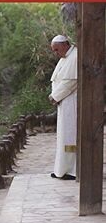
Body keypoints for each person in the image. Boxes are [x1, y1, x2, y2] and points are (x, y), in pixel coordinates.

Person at [49, 35, 77, 180]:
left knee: (70, 137)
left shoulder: (75, 56)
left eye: (56, 49)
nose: (56, 53)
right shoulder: (66, 57)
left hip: (71, 103)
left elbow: (71, 82)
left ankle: (72, 170)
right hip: (64, 103)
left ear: (65, 45)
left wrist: (55, 96)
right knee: (63, 136)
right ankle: (62, 169)